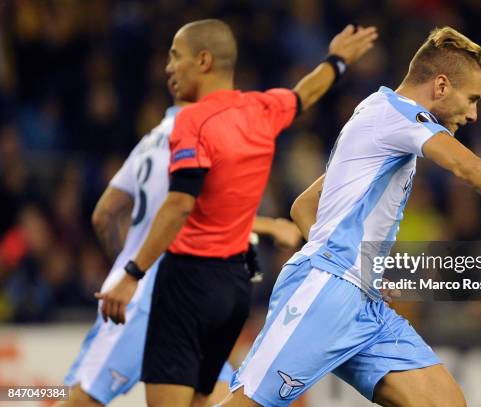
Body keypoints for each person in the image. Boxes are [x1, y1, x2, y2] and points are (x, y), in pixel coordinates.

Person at [221, 26, 481, 407]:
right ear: (440, 86)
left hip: (364, 302)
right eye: (471, 99)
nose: (473, 114)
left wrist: (359, 267)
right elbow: (466, 168)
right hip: (326, 292)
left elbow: (304, 204)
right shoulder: (397, 116)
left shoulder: (376, 115)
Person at [95, 19, 378, 407]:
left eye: (176, 57)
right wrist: (337, 61)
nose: (168, 68)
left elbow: (179, 204)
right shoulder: (262, 109)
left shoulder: (192, 122)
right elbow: (304, 94)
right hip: (234, 289)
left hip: (186, 283)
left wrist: (131, 274)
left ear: (204, 60)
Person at [62, 78, 303, 407]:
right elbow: (190, 212)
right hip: (184, 292)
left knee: (87, 399)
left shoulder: (150, 141)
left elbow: (103, 215)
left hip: (150, 293)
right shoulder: (200, 136)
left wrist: (126, 263)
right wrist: (270, 225)